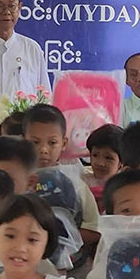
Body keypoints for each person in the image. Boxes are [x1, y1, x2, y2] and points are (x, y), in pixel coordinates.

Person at [22, 104, 99, 248]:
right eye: (35, 142)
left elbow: (93, 228)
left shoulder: (74, 182)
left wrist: (63, 243)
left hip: (69, 259)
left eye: (52, 143)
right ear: (23, 141)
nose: (44, 149)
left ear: (64, 143)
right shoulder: (16, 181)